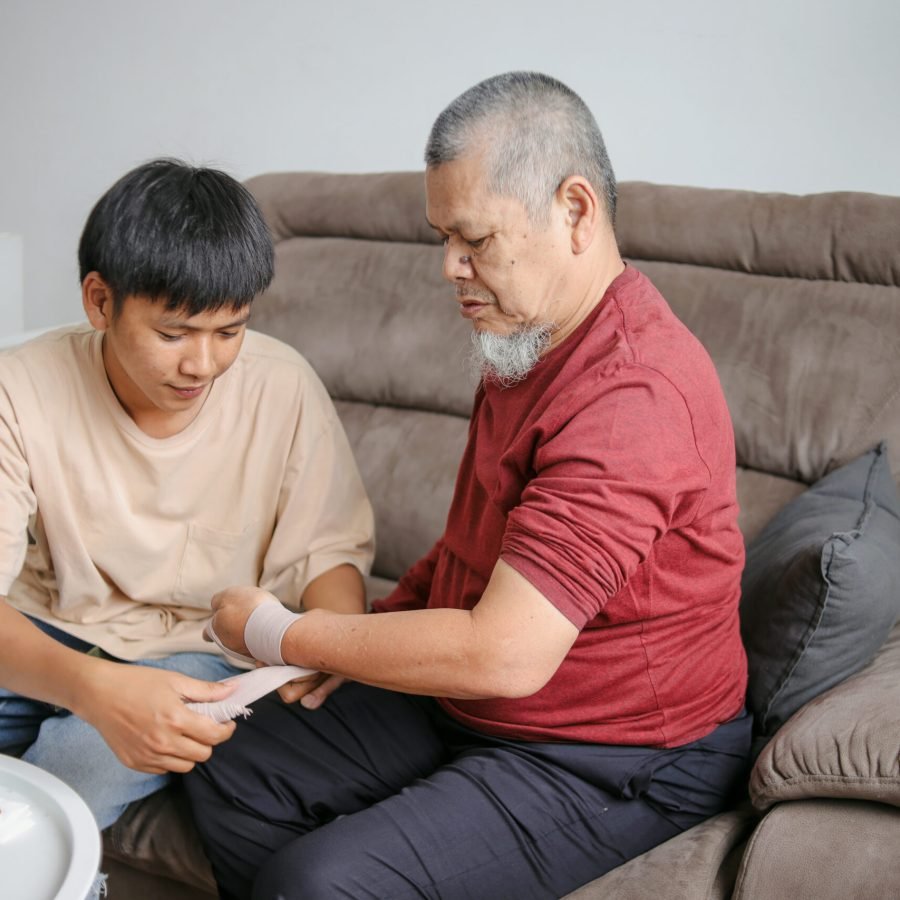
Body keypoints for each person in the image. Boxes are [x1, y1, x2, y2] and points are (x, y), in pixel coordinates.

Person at [185, 72, 751, 900]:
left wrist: (283, 633)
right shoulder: (526, 339)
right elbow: (469, 549)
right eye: (442, 237)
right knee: (228, 760)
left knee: (318, 885)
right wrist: (368, 640)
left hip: (614, 755)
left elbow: (505, 653)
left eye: (474, 239)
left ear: (576, 211)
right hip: (473, 703)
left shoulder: (633, 395)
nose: (450, 267)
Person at [0, 158, 374, 832]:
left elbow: (328, 550)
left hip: (201, 646)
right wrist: (92, 688)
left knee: (54, 809)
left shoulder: (280, 384)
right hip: (49, 630)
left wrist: (327, 641)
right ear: (99, 301)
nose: (202, 365)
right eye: (172, 334)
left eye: (228, 332)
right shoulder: (20, 389)